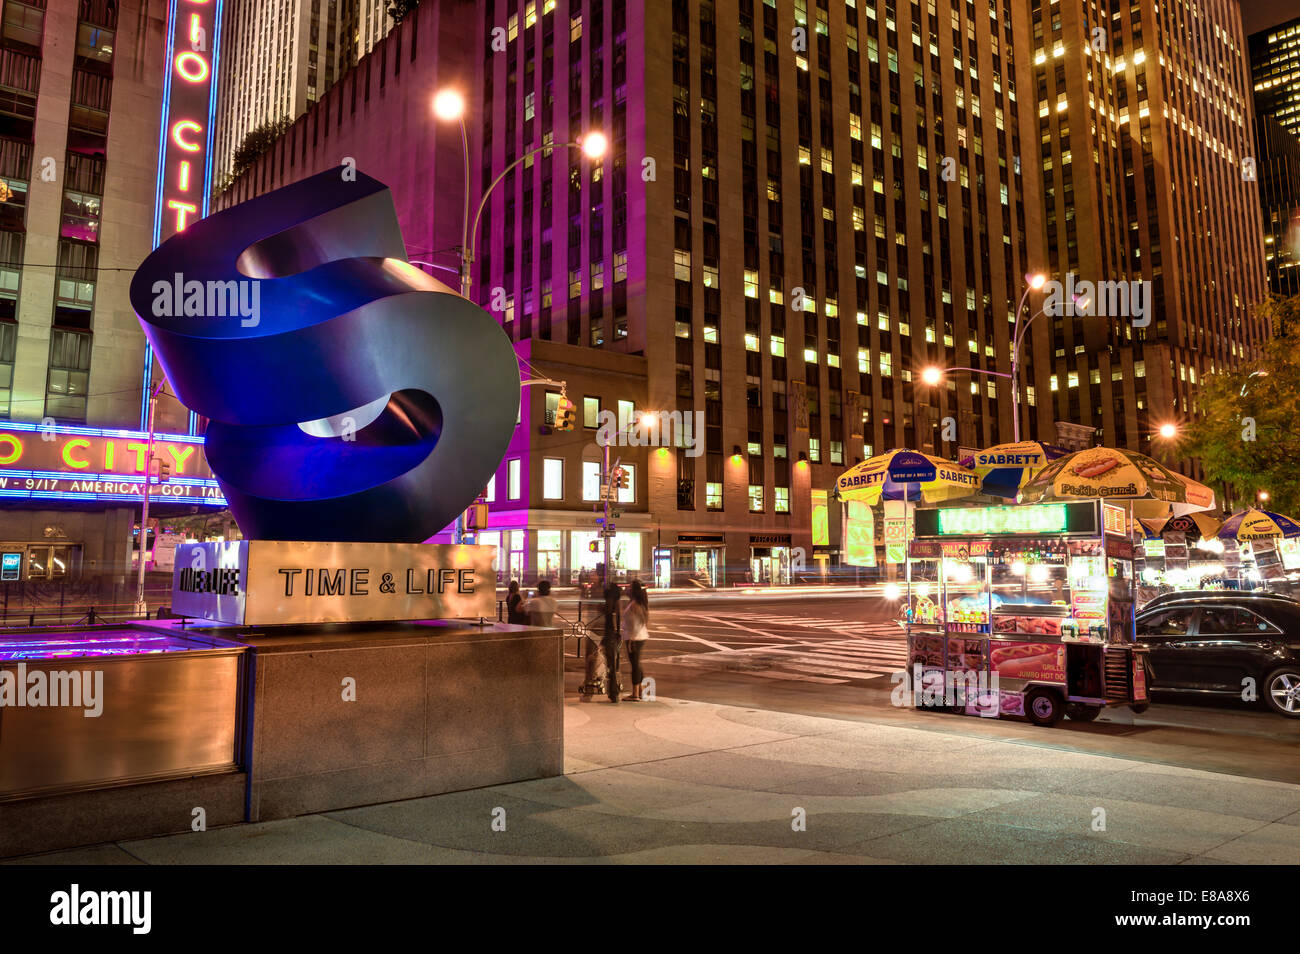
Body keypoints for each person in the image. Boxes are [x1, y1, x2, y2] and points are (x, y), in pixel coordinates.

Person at [622, 579, 649, 701]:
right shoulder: (639, 603)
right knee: (636, 664)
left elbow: (634, 625)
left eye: (630, 587)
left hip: (634, 638)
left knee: (635, 665)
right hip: (638, 637)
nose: (627, 589)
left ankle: (635, 694)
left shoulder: (634, 605)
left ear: (633, 590)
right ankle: (641, 691)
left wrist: (631, 640)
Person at [599, 580, 622, 702]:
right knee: (613, 665)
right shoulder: (617, 604)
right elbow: (617, 622)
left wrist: (610, 636)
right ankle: (613, 691)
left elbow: (611, 623)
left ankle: (613, 692)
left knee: (611, 666)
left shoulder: (610, 604)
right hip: (613, 636)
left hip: (610, 636)